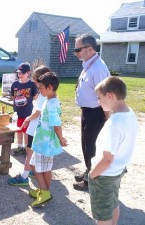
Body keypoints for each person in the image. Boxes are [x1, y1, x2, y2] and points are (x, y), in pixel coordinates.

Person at [89, 76, 138, 225]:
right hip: (118, 171)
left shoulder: (114, 123)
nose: (98, 102)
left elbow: (107, 158)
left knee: (103, 216)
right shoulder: (130, 114)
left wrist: (92, 174)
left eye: (99, 98)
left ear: (109, 96)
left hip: (104, 175)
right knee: (113, 203)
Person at [74, 33, 110, 191]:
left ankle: (92, 180)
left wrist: (107, 118)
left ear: (89, 49)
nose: (75, 52)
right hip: (88, 112)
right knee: (86, 145)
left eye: (78, 49)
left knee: (92, 147)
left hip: (95, 113)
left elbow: (106, 95)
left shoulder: (98, 68)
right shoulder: (89, 64)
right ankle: (89, 171)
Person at [29, 71, 67, 207]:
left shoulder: (51, 104)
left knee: (41, 169)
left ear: (50, 87)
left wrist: (61, 138)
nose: (39, 91)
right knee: (36, 166)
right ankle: (43, 189)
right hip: (41, 143)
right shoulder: (49, 100)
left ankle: (45, 192)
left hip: (46, 144)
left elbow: (56, 124)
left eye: (41, 88)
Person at [8, 65, 50, 186]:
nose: (34, 81)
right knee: (33, 152)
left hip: (35, 128)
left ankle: (24, 177)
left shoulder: (43, 95)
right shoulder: (44, 93)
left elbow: (38, 112)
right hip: (36, 128)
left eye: (36, 79)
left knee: (29, 153)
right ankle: (33, 170)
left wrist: (27, 119)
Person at [10, 62, 38, 156]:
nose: (20, 75)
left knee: (26, 130)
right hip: (18, 112)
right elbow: (13, 97)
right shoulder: (15, 84)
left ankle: (26, 147)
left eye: (22, 73)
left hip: (28, 112)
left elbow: (35, 97)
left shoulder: (32, 84)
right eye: (18, 73)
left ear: (28, 73)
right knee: (18, 129)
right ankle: (19, 146)